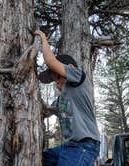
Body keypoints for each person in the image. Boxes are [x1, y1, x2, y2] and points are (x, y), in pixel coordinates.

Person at [34, 30, 100, 166]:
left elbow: (51, 62)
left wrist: (43, 39)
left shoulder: (78, 77)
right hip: (67, 146)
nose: (57, 84)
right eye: (54, 81)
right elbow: (47, 110)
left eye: (58, 77)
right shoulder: (60, 101)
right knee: (40, 159)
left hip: (84, 144)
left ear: (69, 68)